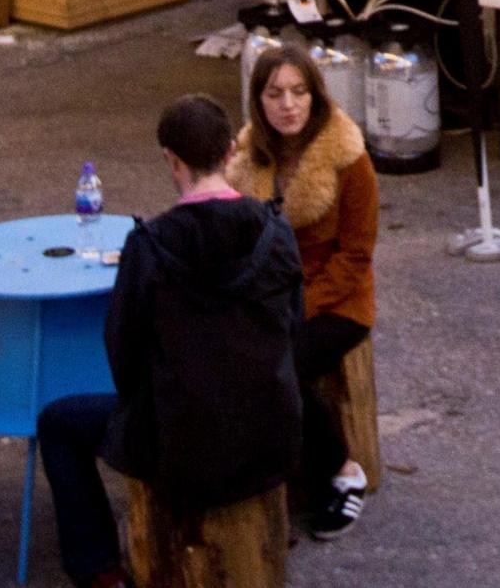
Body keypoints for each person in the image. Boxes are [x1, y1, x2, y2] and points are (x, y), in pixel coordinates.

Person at [35, 96, 304, 588]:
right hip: (271, 432)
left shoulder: (150, 245)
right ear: (228, 153)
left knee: (57, 423)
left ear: (171, 159)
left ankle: (99, 571)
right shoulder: (275, 230)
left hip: (184, 444)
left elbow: (124, 350)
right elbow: (292, 327)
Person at [228, 44, 381, 539]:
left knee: (278, 368)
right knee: (228, 358)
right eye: (275, 94)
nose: (288, 105)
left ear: (315, 97)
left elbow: (356, 257)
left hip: (338, 300)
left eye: (298, 92)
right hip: (271, 299)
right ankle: (263, 470)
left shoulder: (348, 157)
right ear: (260, 100)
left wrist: (297, 309)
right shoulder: (248, 158)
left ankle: (343, 471)